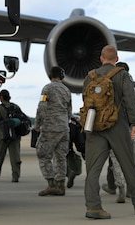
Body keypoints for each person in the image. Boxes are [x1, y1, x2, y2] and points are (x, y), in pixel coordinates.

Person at [83, 45, 135, 219]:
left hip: (94, 127)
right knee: (129, 165)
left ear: (101, 58)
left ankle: (93, 207)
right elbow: (130, 101)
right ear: (117, 59)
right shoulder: (122, 75)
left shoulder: (89, 77)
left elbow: (86, 101)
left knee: (93, 170)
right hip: (117, 127)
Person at [102, 61, 135, 203]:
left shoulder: (107, 84)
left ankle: (118, 188)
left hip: (113, 129)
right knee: (134, 161)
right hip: (132, 129)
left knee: (115, 161)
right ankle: (134, 190)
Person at [35, 66, 72, 196]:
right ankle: (61, 185)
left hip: (51, 127)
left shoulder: (47, 89)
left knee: (43, 154)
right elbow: (69, 110)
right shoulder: (67, 90)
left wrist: (38, 124)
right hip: (64, 128)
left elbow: (42, 107)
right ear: (62, 76)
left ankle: (51, 183)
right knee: (60, 157)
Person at [0, 89, 22, 182]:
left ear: (1, 97)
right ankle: (16, 176)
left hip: (3, 135)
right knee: (15, 157)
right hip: (15, 135)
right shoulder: (15, 107)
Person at [66, 116, 85, 188]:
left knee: (59, 161)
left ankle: (68, 173)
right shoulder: (76, 124)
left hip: (60, 139)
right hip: (71, 145)